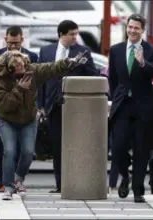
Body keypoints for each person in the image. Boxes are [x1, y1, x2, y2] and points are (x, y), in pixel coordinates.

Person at [0, 50, 88, 200]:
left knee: (29, 152)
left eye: (23, 66)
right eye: (18, 69)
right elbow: (5, 105)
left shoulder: (32, 71)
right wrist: (19, 89)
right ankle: (8, 187)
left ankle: (19, 178)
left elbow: (50, 68)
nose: (23, 71)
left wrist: (69, 62)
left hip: (28, 119)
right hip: (7, 120)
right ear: (9, 69)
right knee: (9, 151)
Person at [38, 20, 98, 193]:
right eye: (71, 34)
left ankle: (76, 182)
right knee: (57, 145)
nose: (75, 37)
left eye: (76, 33)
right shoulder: (46, 51)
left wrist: (81, 65)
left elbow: (93, 75)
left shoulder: (83, 51)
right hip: (53, 106)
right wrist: (40, 105)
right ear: (61, 35)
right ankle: (61, 184)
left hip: (75, 106)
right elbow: (41, 79)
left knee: (75, 145)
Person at [109, 14, 153, 203]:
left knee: (141, 148)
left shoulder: (152, 51)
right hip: (123, 105)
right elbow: (113, 79)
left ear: (142, 30)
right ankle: (125, 175)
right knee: (118, 147)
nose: (132, 31)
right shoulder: (116, 50)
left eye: (136, 28)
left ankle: (138, 189)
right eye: (130, 27)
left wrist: (142, 63)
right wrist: (115, 98)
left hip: (143, 106)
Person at [0, 25, 38, 192]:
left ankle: (14, 179)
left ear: (22, 40)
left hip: (23, 109)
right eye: (10, 43)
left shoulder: (31, 57)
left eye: (16, 43)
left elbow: (37, 82)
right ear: (5, 40)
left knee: (22, 148)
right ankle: (2, 179)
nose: (13, 47)